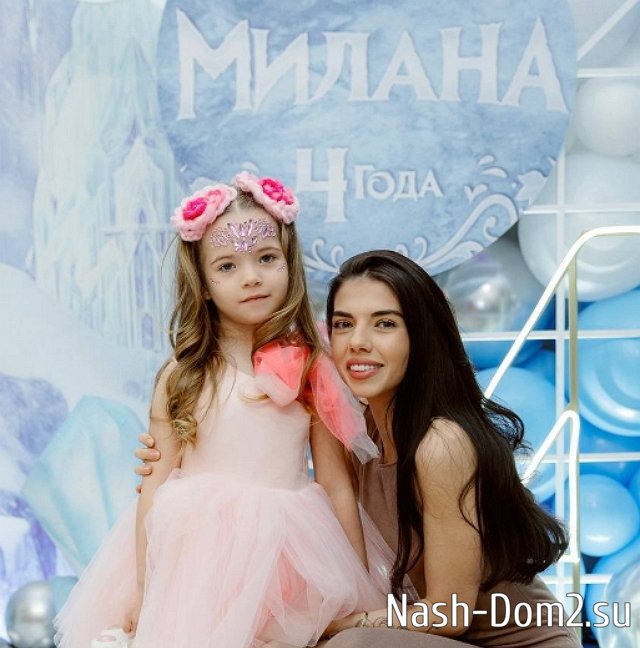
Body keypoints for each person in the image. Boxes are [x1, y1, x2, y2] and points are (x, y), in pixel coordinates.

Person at [137, 250, 582, 648]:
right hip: (423, 638)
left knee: (351, 645)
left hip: (504, 642)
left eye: (385, 323)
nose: (358, 342)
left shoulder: (440, 444)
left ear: (421, 336)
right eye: (343, 324)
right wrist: (179, 468)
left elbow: (449, 615)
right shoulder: (361, 434)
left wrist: (333, 626)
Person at [54, 174, 392, 648]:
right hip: (197, 560)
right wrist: (147, 588)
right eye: (228, 266)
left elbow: (336, 483)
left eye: (267, 258)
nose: (251, 277)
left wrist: (358, 582)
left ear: (289, 263)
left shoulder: (310, 365)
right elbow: (153, 490)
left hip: (291, 553)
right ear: (205, 286)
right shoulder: (183, 375)